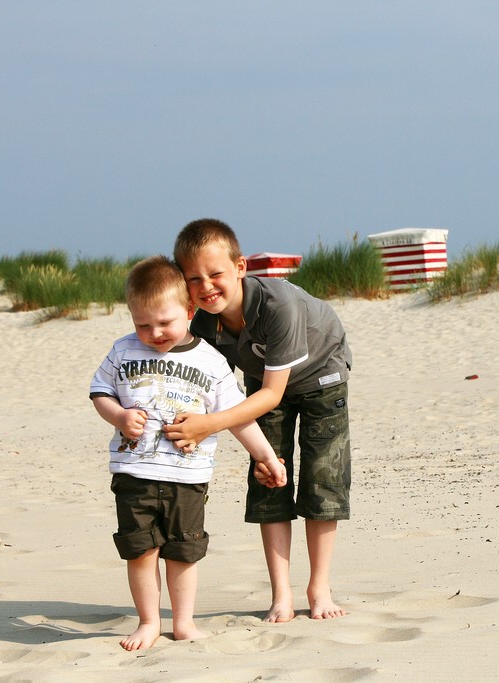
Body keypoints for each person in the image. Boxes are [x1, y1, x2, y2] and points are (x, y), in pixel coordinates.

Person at [90, 255, 287, 651]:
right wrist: (120, 416)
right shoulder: (124, 350)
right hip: (134, 473)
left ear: (189, 310)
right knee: (141, 551)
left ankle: (182, 622)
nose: (154, 332)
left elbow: (236, 417)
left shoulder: (211, 362)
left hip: (188, 477)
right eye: (142, 324)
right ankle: (148, 621)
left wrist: (265, 456)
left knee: (184, 551)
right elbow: (100, 392)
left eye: (164, 322)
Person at [163, 218, 352, 623]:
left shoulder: (277, 306)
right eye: (193, 279)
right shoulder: (203, 325)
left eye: (216, 274)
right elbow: (217, 393)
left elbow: (271, 396)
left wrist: (206, 424)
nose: (206, 286)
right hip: (263, 375)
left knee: (322, 480)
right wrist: (202, 430)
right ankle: (281, 594)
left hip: (321, 374)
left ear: (240, 268)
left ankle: (319, 589)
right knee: (269, 477)